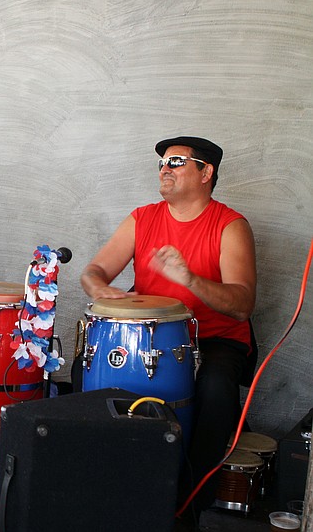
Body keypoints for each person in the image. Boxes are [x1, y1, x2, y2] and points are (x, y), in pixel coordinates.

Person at [80, 136, 256, 513]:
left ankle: (187, 503)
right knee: (86, 367)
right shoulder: (143, 217)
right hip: (150, 335)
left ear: (205, 172)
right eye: (161, 162)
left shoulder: (230, 225)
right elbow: (95, 270)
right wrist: (99, 287)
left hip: (215, 339)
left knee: (214, 390)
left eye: (176, 162)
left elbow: (242, 305)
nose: (164, 168)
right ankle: (102, 484)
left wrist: (190, 279)